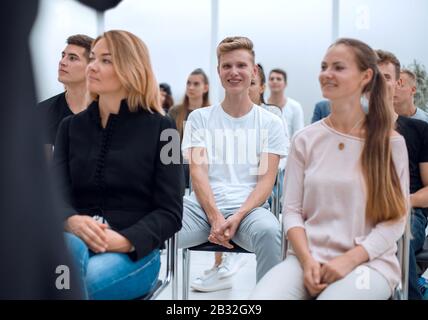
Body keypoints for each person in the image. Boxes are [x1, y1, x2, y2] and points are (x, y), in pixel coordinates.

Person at [251, 38, 409, 300]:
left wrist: (348, 261)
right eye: (324, 66)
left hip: (368, 264)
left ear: (365, 76)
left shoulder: (390, 143)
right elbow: (291, 212)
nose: (326, 74)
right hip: (305, 259)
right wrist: (307, 259)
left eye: (338, 67)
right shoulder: (304, 139)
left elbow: (396, 221)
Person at [53, 30, 184, 300]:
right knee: (65, 264)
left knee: (70, 286)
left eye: (106, 60)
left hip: (134, 252)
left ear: (131, 68)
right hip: (72, 243)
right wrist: (72, 220)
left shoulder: (165, 129)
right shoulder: (69, 128)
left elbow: (171, 212)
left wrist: (124, 241)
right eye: (93, 59)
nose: (92, 66)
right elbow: (53, 196)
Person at [178, 37, 287, 290]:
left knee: (271, 233)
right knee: (157, 225)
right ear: (218, 72)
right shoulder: (200, 118)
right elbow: (198, 173)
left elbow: (266, 182)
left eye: (241, 65)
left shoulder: (271, 122)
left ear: (253, 72)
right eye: (227, 66)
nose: (234, 72)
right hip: (201, 210)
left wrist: (237, 216)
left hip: (249, 212)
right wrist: (215, 217)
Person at [376, 49, 428, 300]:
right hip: (363, 212)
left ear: (397, 83)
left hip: (409, 212)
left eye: (386, 77)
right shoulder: (352, 129)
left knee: (396, 237)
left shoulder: (420, 130)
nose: (379, 82)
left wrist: (401, 202)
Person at [38, 34, 94, 146]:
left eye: (72, 58)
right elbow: (40, 161)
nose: (62, 62)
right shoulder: (43, 112)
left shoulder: (110, 111)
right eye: (63, 56)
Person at [168, 68, 210, 189]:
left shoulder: (211, 113)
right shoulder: (175, 112)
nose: (191, 87)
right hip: (178, 165)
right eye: (188, 83)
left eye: (196, 84)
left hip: (204, 166)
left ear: (205, 88)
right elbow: (169, 145)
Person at [267, 68, 304, 137]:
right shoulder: (261, 105)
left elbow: (299, 134)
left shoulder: (295, 107)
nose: (274, 81)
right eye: (271, 79)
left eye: (279, 79)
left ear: (285, 84)